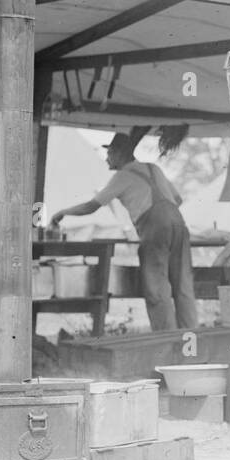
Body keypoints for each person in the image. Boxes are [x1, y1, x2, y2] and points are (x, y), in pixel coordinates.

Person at [51, 131, 198, 331]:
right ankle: (191, 337)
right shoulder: (153, 168)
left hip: (155, 228)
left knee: (157, 288)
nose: (107, 158)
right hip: (178, 223)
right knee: (183, 285)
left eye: (110, 152)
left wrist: (62, 213)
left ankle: (167, 339)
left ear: (121, 153)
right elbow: (177, 200)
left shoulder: (123, 176)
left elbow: (92, 206)